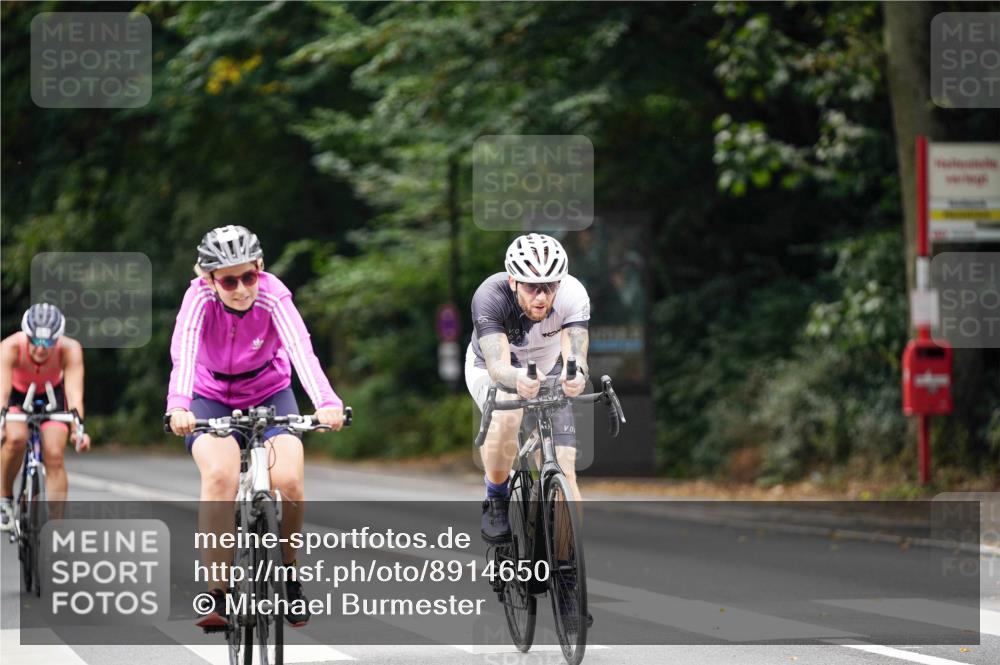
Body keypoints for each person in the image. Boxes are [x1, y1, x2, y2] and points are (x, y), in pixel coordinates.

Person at [166, 225, 345, 630]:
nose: (242, 288)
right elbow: (185, 353)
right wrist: (179, 405)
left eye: (248, 275)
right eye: (229, 281)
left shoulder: (272, 293)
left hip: (269, 391)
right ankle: (218, 595)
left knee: (290, 482)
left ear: (259, 268)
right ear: (209, 279)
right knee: (218, 476)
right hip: (208, 396)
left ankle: (288, 575)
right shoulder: (197, 300)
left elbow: (302, 350)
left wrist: (326, 403)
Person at [464, 233, 590, 543]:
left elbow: (575, 355)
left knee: (567, 470)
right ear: (512, 282)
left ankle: (566, 574)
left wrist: (578, 376)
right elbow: (498, 366)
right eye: (532, 287)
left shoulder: (573, 293)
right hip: (492, 369)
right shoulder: (490, 296)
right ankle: (496, 497)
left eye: (550, 287)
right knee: (507, 413)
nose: (542, 297)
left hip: (548, 370)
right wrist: (518, 381)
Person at [0, 303, 91, 530]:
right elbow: (2, 393)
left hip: (52, 397)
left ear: (58, 339)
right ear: (26, 335)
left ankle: (57, 526)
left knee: (54, 454)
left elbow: (74, 394)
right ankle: (5, 498)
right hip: (18, 397)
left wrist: (77, 430)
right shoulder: (10, 346)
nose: (41, 349)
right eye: (35, 341)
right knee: (16, 439)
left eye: (48, 342)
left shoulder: (70, 349)